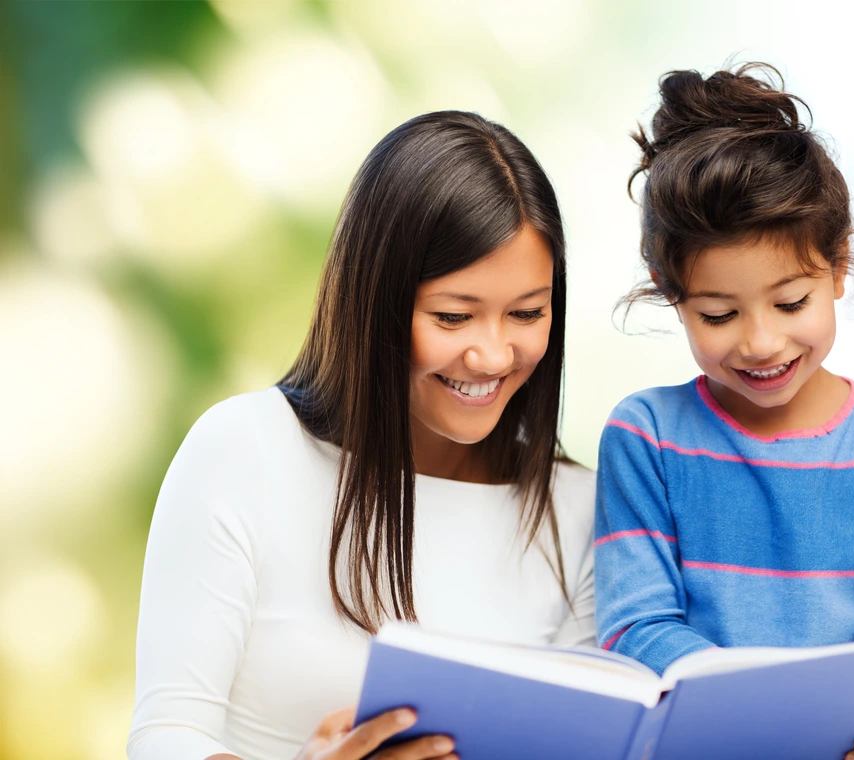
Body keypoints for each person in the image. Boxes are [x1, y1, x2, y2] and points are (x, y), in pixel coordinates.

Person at [128, 111, 596, 760]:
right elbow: (166, 737)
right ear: (373, 300)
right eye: (453, 316)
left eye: (527, 313)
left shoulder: (576, 507)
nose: (492, 355)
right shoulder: (244, 449)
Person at [594, 64, 854, 760]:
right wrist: (768, 710)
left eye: (791, 303)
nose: (760, 342)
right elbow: (634, 625)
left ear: (838, 266)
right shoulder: (645, 438)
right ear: (668, 292)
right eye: (718, 313)